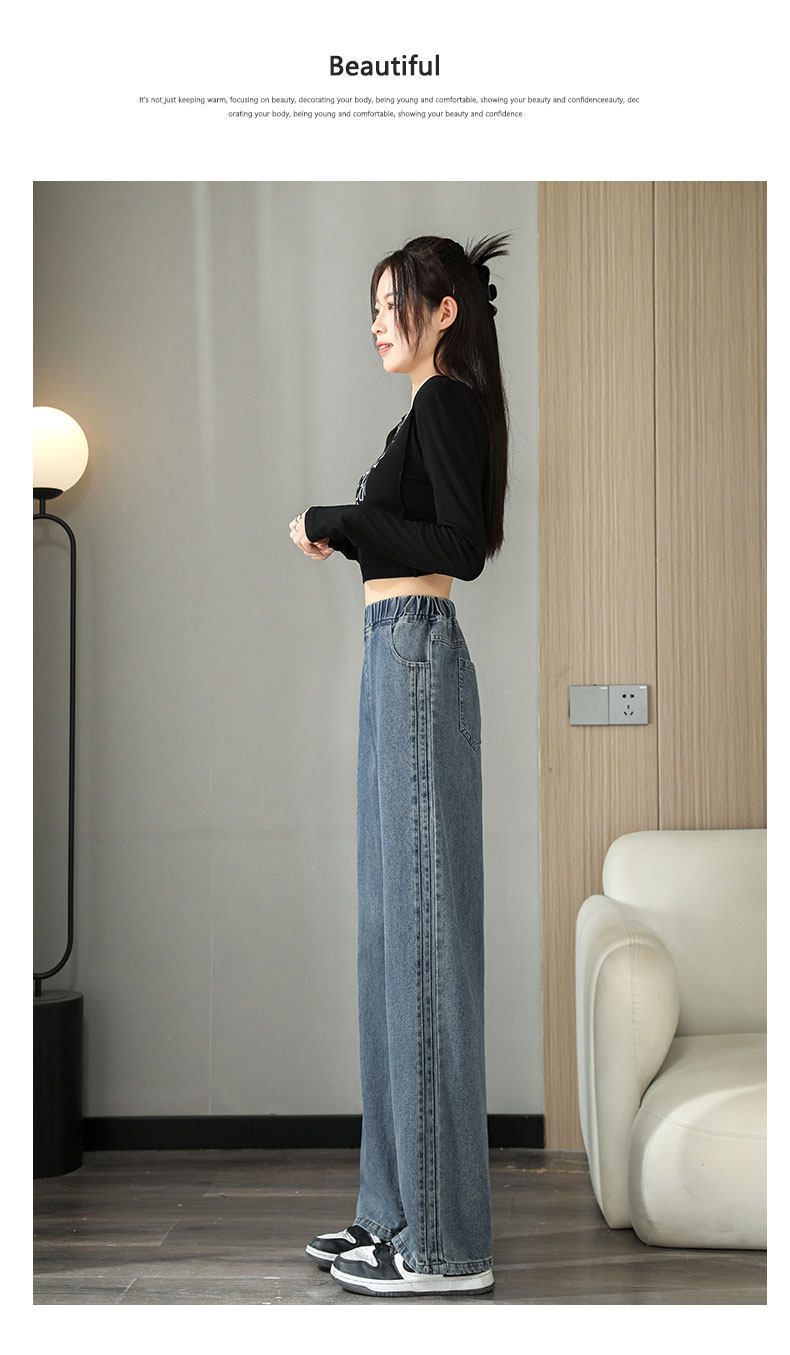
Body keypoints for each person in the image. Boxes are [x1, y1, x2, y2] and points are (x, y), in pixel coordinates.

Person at [288, 233, 510, 1297]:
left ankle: (443, 1246)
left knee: (420, 947)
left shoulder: (447, 404)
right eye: (373, 306)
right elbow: (418, 526)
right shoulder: (424, 413)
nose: (378, 320)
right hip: (394, 655)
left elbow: (461, 546)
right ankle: (390, 1216)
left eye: (394, 302)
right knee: (389, 945)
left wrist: (338, 517)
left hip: (415, 652)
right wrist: (354, 529)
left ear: (444, 311)